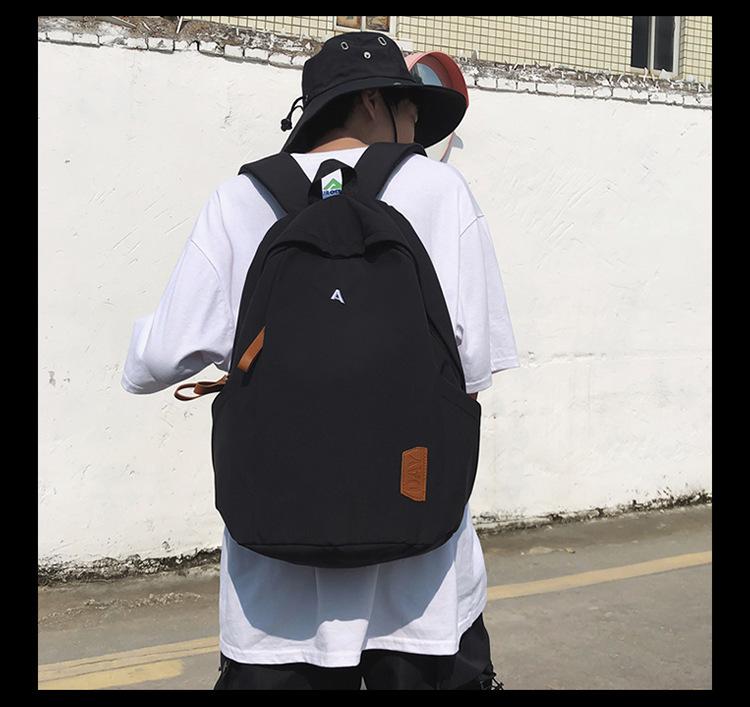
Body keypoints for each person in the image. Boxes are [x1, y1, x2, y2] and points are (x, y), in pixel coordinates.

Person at [121, 30, 519, 690]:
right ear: (373, 101)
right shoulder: (441, 192)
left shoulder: (239, 200)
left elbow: (154, 363)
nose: (416, 130)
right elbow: (472, 371)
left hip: (273, 606)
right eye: (410, 107)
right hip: (422, 593)